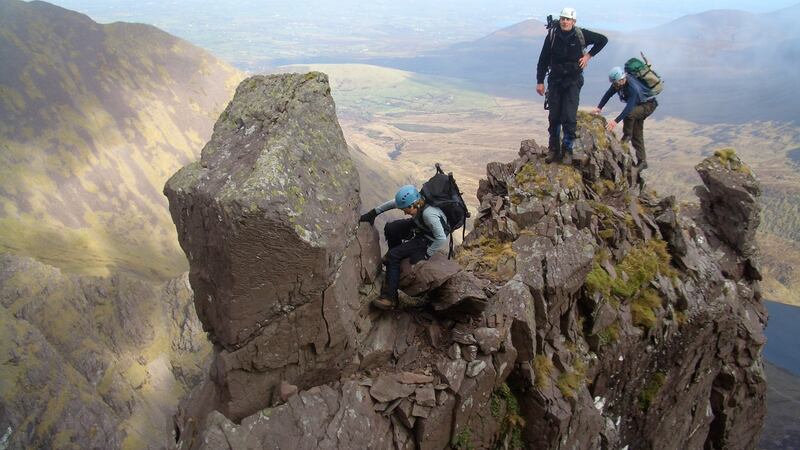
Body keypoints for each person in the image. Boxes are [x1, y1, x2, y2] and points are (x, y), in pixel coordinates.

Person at [359, 185, 449, 310]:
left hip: (428, 239)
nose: (404, 212)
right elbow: (393, 203)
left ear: (414, 204)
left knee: (393, 255)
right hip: (421, 227)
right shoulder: (415, 203)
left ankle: (390, 298)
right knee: (391, 228)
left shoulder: (429, 214)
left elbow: (441, 238)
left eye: (406, 209)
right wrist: (374, 213)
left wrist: (426, 254)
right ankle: (394, 262)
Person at [536, 7, 607, 165]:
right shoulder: (552, 36)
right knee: (554, 117)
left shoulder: (581, 35)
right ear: (560, 20)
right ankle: (553, 149)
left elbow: (603, 40)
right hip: (555, 81)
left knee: (569, 117)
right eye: (563, 18)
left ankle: (568, 150)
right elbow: (543, 59)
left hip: (573, 82)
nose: (565, 21)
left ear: (574, 21)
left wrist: (588, 55)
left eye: (568, 19)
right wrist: (540, 81)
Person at [592, 66, 658, 169]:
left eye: (616, 83)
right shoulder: (618, 84)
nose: (615, 85)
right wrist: (599, 107)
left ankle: (627, 136)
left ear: (622, 79)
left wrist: (615, 121)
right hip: (639, 105)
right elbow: (608, 94)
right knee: (637, 132)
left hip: (648, 105)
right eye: (614, 83)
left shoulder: (632, 88)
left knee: (630, 114)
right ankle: (642, 161)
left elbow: (629, 108)